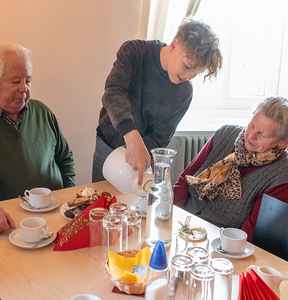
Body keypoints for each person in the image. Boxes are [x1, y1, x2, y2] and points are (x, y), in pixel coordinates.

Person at [93, 19, 223, 186]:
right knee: (98, 204)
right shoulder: (134, 51)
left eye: (196, 73)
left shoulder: (185, 92)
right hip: (108, 142)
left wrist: (138, 151)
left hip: (143, 154)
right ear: (174, 45)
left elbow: (160, 136)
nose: (189, 76)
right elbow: (113, 92)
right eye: (187, 66)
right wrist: (131, 136)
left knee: (133, 208)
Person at [0, 43, 76, 235]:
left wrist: (70, 199)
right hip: (10, 227)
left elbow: (65, 159)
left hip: (58, 218)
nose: (23, 88)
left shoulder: (42, 112)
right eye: (15, 81)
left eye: (28, 81)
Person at [173, 96, 288, 242]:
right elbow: (185, 179)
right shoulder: (225, 135)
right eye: (252, 125)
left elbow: (252, 234)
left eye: (263, 135)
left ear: (283, 142)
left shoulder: (282, 175)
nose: (251, 136)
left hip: (222, 244)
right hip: (182, 224)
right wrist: (170, 216)